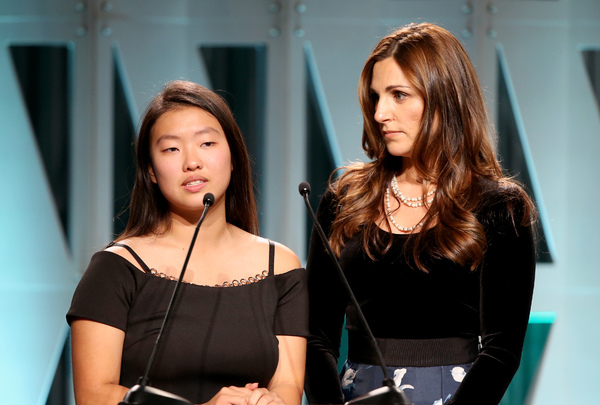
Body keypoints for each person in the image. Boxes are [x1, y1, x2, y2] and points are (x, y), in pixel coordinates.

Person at [304, 23, 536, 405]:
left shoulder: (500, 207)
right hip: (355, 395)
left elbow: (502, 351)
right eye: (376, 96)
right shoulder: (345, 200)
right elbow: (316, 337)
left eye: (399, 95)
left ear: (446, 98)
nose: (380, 113)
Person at [67, 80, 308, 405]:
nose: (192, 162)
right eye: (171, 149)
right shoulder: (115, 269)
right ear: (151, 171)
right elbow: (94, 395)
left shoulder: (280, 266)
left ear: (234, 157)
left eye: (207, 143)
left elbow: (288, 389)